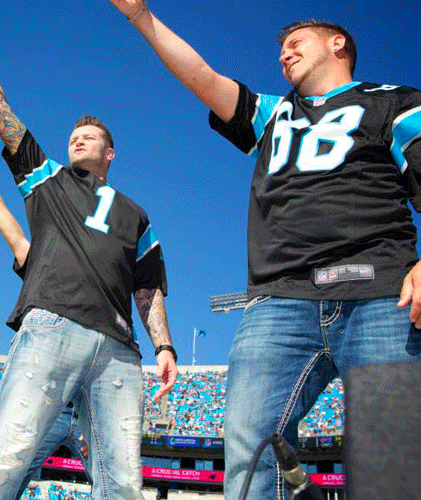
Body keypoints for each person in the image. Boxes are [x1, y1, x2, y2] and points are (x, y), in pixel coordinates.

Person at [108, 2, 421, 498]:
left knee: (390, 460)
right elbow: (203, 78)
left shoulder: (396, 102)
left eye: (296, 43)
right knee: (251, 453)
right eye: (280, 50)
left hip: (381, 291)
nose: (283, 54)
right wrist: (141, 15)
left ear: (337, 43)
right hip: (279, 301)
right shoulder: (275, 115)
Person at [0, 6, 178, 499]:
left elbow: (147, 288)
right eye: (74, 136)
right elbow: (3, 116)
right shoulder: (49, 180)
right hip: (53, 324)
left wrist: (164, 347)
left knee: (123, 483)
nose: (78, 139)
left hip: (119, 349)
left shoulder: (136, 215)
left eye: (90, 136)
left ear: (109, 153)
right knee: (2, 458)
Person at [0, 155, 91, 497]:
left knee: (115, 479)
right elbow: (14, 235)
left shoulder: (100, 283)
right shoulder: (45, 266)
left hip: (84, 408)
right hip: (44, 403)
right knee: (9, 473)